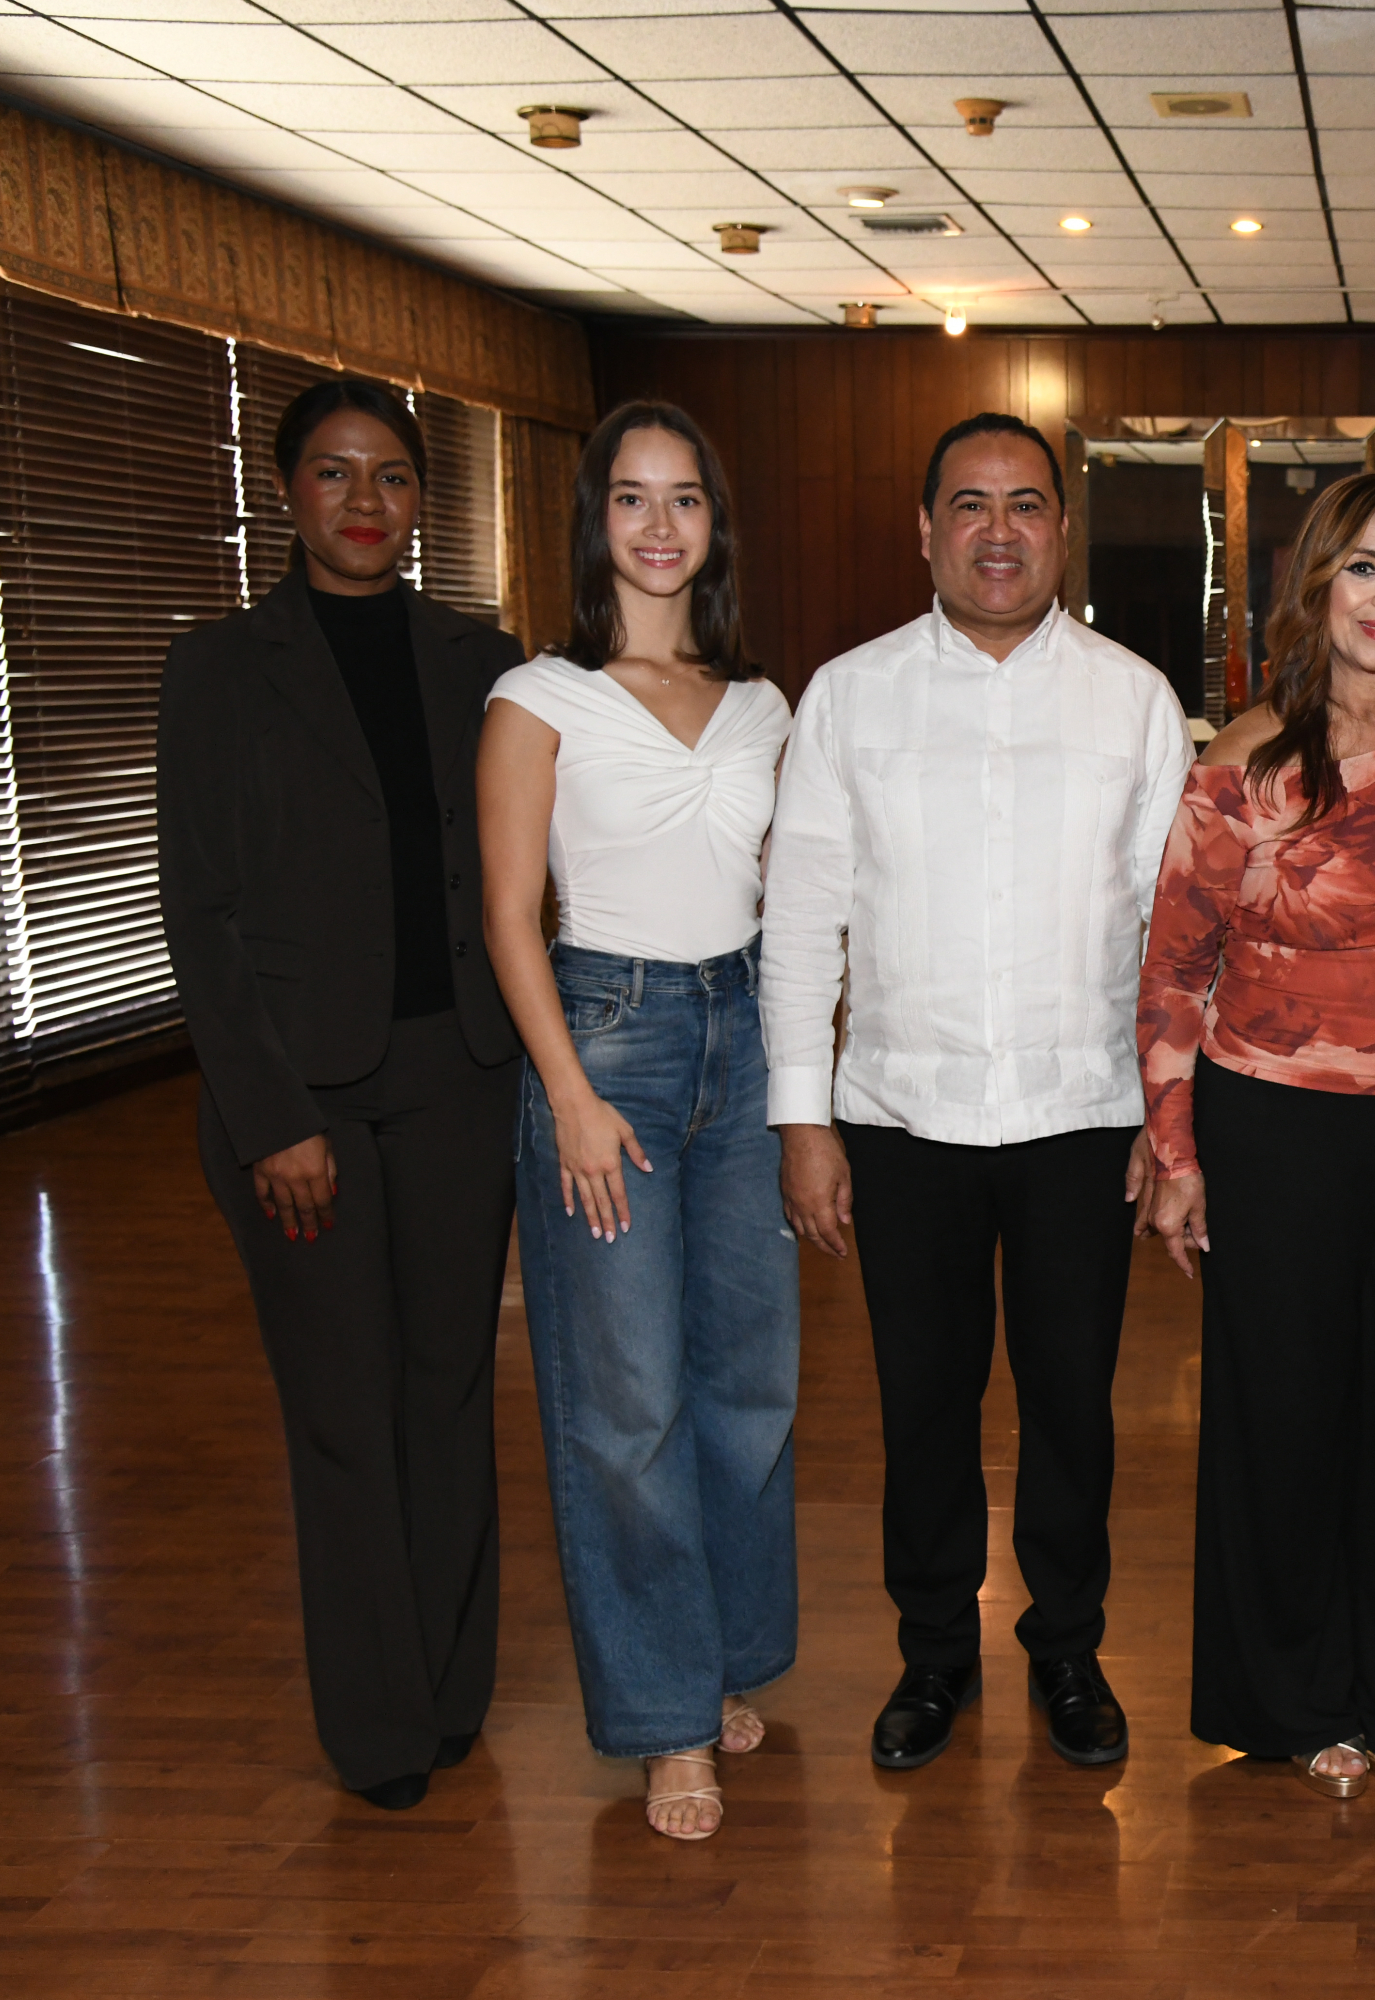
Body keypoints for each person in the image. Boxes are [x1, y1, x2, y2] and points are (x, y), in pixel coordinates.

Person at [762, 412, 1191, 1773]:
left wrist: (1172, 1126)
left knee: (1074, 1408)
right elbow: (800, 919)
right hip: (901, 1121)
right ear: (927, 529)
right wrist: (802, 1118)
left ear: (1061, 528)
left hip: (1082, 1119)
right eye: (969, 504)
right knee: (924, 1407)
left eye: (1024, 504)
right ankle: (933, 1653)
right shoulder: (848, 696)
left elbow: (1171, 935)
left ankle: (1068, 1646)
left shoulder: (1132, 698)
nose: (998, 530)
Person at [157, 379, 524, 1810]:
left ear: (422, 498)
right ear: (287, 491)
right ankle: (375, 1727)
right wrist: (272, 1119)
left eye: (389, 478)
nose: (363, 503)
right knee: (341, 1410)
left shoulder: (479, 658)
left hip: (461, 1083)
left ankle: (450, 1689)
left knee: (446, 1395)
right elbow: (202, 910)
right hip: (303, 1102)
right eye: (333, 475)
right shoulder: (217, 668)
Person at [1136, 470, 1375, 1801]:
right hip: (1274, 1129)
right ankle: (1292, 1702)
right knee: (1284, 1423)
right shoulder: (1243, 767)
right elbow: (1175, 973)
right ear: (1318, 585)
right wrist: (1177, 1156)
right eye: (1364, 568)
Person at [477, 401, 798, 1841]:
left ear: (715, 525)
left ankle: (720, 1660)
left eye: (685, 499)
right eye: (631, 499)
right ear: (595, 523)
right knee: (627, 1403)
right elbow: (505, 916)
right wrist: (568, 1097)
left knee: (748, 1387)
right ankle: (667, 1722)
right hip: (607, 1044)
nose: (660, 525)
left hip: (745, 1035)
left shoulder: (762, 702)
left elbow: (794, 902)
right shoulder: (538, 698)